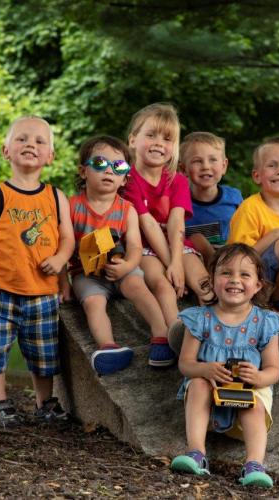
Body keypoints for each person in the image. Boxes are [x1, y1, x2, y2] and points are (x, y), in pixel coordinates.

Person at [0, 115, 75, 427]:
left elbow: (68, 237)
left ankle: (45, 403)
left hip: (43, 293)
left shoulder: (56, 197)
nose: (31, 144)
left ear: (50, 157)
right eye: (22, 139)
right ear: (6, 151)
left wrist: (60, 262)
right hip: (1, 292)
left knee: (45, 356)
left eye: (40, 141)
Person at [170, 244, 279, 488]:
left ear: (258, 285)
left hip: (248, 389)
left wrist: (258, 377)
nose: (235, 280)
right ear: (211, 280)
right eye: (226, 273)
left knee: (254, 402)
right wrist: (204, 369)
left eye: (245, 275)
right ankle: (197, 454)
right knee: (198, 385)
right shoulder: (201, 318)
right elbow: (186, 364)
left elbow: (274, 370)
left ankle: (254, 464)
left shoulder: (265, 322)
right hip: (210, 391)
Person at [66, 135, 170, 374]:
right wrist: (63, 283)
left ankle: (162, 335)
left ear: (125, 178)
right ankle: (108, 347)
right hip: (86, 274)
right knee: (93, 303)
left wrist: (127, 266)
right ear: (83, 171)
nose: (109, 171)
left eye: (118, 166)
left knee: (137, 285)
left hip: (121, 269)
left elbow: (134, 246)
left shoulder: (127, 210)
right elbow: (61, 246)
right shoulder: (72, 207)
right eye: (100, 163)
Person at [122, 103, 213, 366]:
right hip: (142, 247)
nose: (158, 143)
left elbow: (176, 224)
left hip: (175, 243)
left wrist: (176, 262)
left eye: (167, 138)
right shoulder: (127, 179)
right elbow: (147, 225)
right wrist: (169, 267)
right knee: (162, 284)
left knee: (203, 282)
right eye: (151, 135)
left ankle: (222, 331)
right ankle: (175, 335)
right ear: (132, 140)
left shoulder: (177, 180)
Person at [227, 136, 279, 332]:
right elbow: (238, 258)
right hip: (253, 276)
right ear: (257, 175)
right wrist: (278, 234)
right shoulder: (250, 208)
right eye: (272, 165)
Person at [180, 131, 243, 265]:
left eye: (213, 160)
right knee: (197, 239)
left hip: (231, 260)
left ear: (224, 166)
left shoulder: (234, 198)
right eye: (197, 161)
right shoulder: (178, 202)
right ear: (183, 169)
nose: (206, 166)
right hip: (192, 263)